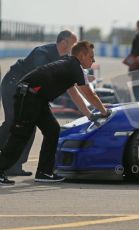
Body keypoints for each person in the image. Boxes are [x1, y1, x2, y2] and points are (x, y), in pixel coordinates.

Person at [0, 41, 111, 185]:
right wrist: (104, 111)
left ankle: (44, 172)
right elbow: (90, 94)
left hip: (37, 99)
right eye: (91, 57)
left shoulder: (70, 65)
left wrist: (89, 115)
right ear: (82, 56)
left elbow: (74, 93)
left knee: (52, 130)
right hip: (27, 97)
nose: (94, 60)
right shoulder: (74, 67)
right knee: (20, 135)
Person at [0, 30, 77, 176]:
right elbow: (41, 74)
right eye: (73, 45)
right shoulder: (42, 53)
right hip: (13, 84)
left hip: (29, 91)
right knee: (14, 123)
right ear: (63, 43)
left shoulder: (64, 57)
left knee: (29, 126)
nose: (74, 48)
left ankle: (15, 166)